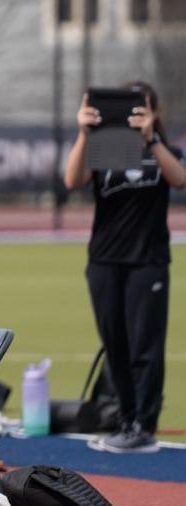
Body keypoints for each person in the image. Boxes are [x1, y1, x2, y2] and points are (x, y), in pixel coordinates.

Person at [64, 82, 184, 454]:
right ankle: (124, 418)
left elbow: (179, 179)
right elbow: (72, 180)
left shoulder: (163, 150)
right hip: (104, 260)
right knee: (115, 344)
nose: (134, 114)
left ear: (154, 111)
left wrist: (150, 139)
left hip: (147, 261)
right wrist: (85, 133)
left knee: (144, 347)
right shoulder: (111, 149)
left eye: (142, 107)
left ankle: (144, 425)